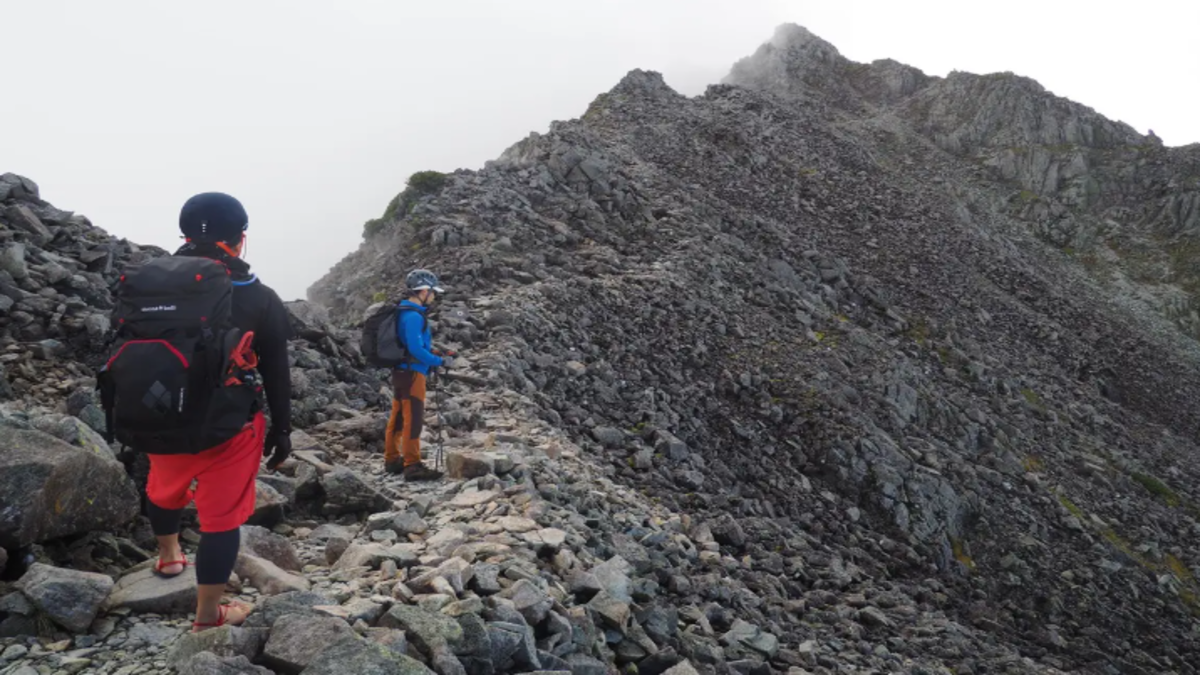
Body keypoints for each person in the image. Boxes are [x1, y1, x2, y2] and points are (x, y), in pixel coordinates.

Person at [142, 192, 292, 631]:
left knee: (162, 487)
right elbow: (276, 371)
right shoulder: (256, 294)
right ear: (240, 240)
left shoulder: (145, 282)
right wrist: (282, 430)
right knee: (221, 519)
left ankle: (169, 557)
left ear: (184, 235)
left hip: (156, 410)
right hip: (229, 427)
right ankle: (208, 615)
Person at [384, 268, 452, 480]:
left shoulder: (403, 312)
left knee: (398, 416)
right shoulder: (414, 316)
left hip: (401, 371)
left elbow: (412, 345)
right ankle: (412, 465)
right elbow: (414, 348)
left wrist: (431, 351)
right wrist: (438, 360)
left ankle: (392, 459)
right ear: (423, 290)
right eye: (432, 292)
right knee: (413, 418)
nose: (433, 296)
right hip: (413, 374)